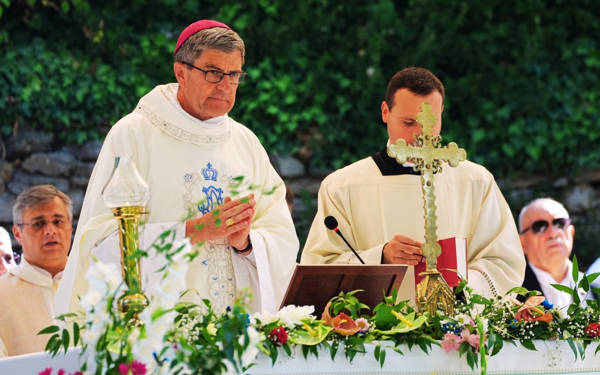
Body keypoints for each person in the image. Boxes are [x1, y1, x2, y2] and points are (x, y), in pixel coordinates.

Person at [56, 20, 298, 316]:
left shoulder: (245, 143)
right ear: (180, 72)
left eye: (233, 75)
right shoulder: (134, 135)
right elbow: (100, 240)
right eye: (213, 73)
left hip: (238, 332)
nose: (224, 86)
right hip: (159, 333)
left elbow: (282, 237)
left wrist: (247, 243)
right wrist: (195, 230)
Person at [301, 67, 525, 304]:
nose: (421, 136)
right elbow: (320, 268)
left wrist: (459, 286)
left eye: (431, 123)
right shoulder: (343, 187)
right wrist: (381, 256)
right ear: (385, 112)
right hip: (377, 334)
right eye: (409, 123)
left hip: (457, 332)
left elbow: (503, 262)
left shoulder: (475, 182)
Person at [0, 185, 72, 357]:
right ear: (17, 233)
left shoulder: (97, 281)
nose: (50, 231)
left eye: (58, 221)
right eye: (39, 224)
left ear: (70, 226)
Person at [518, 197, 592, 308]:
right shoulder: (511, 297)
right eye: (540, 227)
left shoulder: (595, 289)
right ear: (522, 243)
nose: (553, 233)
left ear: (571, 233)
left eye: (560, 223)